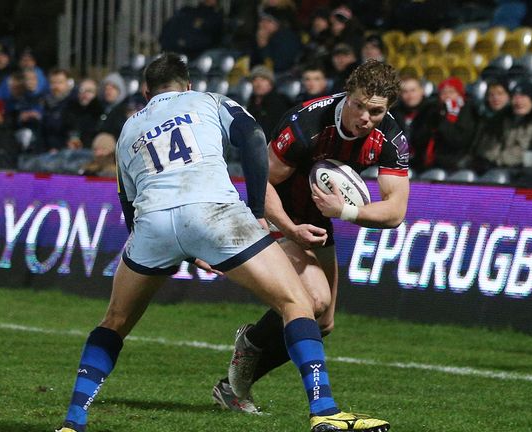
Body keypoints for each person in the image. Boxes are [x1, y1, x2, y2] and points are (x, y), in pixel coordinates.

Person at [55, 53, 390, 432]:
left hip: (153, 224)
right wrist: (256, 209)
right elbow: (252, 137)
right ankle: (325, 412)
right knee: (296, 301)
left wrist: (177, 249)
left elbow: (128, 205)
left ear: (146, 92)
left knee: (113, 321)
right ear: (188, 86)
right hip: (214, 212)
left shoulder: (128, 130)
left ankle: (73, 421)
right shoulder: (210, 101)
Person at [212, 59, 408, 419]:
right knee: (313, 299)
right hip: (276, 215)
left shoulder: (390, 139)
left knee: (324, 322)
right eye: (359, 105)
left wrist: (345, 212)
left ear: (387, 109)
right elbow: (262, 180)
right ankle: (262, 359)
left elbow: (395, 211)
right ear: (348, 96)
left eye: (376, 111)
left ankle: (235, 375)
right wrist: (289, 228)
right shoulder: (306, 124)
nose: (365, 117)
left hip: (319, 221)